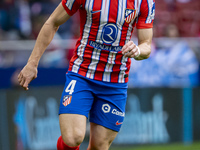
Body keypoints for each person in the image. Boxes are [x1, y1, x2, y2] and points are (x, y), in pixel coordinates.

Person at [18, 0, 155, 149]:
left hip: (115, 81)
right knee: (72, 138)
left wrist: (138, 51)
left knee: (99, 145)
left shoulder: (144, 2)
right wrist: (32, 63)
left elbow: (146, 44)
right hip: (82, 74)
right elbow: (53, 22)